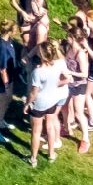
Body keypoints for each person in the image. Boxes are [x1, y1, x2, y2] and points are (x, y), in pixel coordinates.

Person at [24, 39, 70, 167]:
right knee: (50, 127)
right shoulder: (59, 64)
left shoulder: (37, 72)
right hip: (52, 101)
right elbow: (66, 74)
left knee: (36, 132)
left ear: (42, 55)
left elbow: (34, 92)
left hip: (39, 103)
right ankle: (51, 154)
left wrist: (27, 103)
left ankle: (33, 159)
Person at [61, 20, 92, 153]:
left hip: (79, 85)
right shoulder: (69, 48)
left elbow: (84, 74)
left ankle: (85, 139)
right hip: (69, 82)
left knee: (79, 113)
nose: (66, 37)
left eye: (68, 36)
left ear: (73, 38)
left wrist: (70, 72)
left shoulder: (80, 54)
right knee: (63, 106)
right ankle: (67, 128)